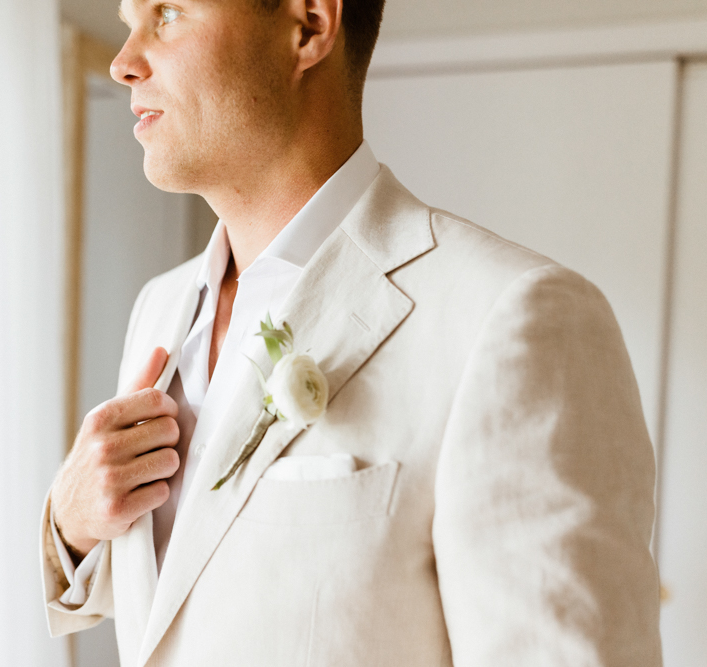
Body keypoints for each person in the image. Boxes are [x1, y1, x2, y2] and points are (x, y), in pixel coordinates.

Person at [40, 0, 663, 663]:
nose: (123, 61)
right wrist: (70, 526)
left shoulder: (516, 316)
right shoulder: (159, 309)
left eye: (166, 14)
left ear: (309, 25)